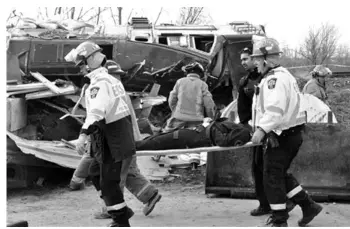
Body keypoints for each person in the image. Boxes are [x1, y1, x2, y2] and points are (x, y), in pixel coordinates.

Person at [68, 59, 162, 218]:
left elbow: (100, 118)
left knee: (113, 176)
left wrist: (75, 180)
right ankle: (149, 195)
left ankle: (113, 210)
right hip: (123, 140)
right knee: (126, 172)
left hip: (116, 142)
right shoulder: (119, 91)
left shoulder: (110, 91)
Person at [250, 37, 323, 227]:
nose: (255, 62)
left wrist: (261, 129)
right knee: (279, 173)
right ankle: (308, 206)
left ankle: (279, 219)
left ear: (266, 59)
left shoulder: (274, 79)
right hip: (289, 134)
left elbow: (275, 109)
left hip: (282, 135)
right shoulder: (281, 76)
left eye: (257, 59)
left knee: (271, 175)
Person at [66, 41, 135, 227]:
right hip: (109, 137)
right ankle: (121, 209)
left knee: (108, 183)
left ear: (91, 61)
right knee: (95, 172)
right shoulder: (108, 80)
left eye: (81, 64)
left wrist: (82, 135)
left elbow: (96, 112)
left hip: (112, 139)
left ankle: (121, 220)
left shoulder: (100, 84)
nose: (79, 69)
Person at [136, 117, 251, 151]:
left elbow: (221, 140)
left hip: (187, 135)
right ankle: (132, 145)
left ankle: (131, 145)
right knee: (154, 142)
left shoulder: (234, 127)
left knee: (154, 142)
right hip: (187, 136)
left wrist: (209, 124)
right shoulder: (242, 131)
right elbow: (222, 141)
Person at [163, 62, 216, 132]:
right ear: (201, 74)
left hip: (178, 120)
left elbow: (172, 100)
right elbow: (209, 104)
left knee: (168, 137)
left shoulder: (180, 82)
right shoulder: (203, 85)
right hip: (196, 122)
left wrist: (175, 111)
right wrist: (210, 117)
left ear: (186, 72)